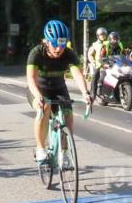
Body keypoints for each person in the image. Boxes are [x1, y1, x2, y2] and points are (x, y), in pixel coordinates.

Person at [26, 20, 93, 164]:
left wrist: (85, 93)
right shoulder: (36, 53)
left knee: (68, 116)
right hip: (38, 88)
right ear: (46, 42)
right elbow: (31, 79)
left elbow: (77, 74)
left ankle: (65, 152)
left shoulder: (69, 54)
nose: (58, 49)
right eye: (55, 44)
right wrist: (38, 96)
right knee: (44, 107)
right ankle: (40, 149)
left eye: (62, 44)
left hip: (58, 88)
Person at [88, 27, 109, 97]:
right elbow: (90, 54)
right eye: (101, 34)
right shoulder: (94, 44)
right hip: (98, 64)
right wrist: (93, 62)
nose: (103, 36)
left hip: (109, 63)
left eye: (104, 34)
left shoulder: (109, 43)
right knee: (95, 76)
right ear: (98, 36)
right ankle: (92, 92)